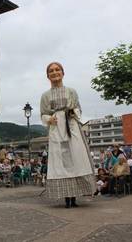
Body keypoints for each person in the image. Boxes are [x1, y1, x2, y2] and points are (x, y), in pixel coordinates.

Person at [40, 62, 95, 208]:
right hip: (56, 127)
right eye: (51, 71)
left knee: (76, 159)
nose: (54, 72)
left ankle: (75, 197)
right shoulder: (45, 96)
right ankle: (66, 198)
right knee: (60, 161)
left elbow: (78, 108)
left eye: (57, 70)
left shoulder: (71, 91)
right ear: (48, 76)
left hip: (71, 126)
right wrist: (49, 119)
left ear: (63, 73)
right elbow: (43, 114)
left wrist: (72, 113)